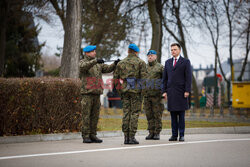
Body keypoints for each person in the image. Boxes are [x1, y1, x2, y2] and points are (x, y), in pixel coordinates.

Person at [79, 45, 120, 143]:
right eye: (93, 51)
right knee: (86, 116)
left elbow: (107, 69)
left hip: (97, 94)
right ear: (87, 53)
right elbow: (83, 67)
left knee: (95, 116)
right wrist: (95, 61)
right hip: (87, 94)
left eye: (95, 51)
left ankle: (93, 135)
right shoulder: (83, 62)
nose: (95, 53)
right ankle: (86, 136)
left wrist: (115, 64)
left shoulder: (98, 64)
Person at [113, 43, 146, 144]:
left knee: (126, 113)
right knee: (134, 113)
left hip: (125, 90)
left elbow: (115, 79)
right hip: (136, 90)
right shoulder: (141, 62)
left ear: (128, 51)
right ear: (136, 52)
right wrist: (142, 93)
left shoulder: (121, 63)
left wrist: (120, 91)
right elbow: (144, 80)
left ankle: (126, 137)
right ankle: (131, 137)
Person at [162, 43, 192, 142]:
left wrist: (187, 90)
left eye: (175, 49)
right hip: (171, 92)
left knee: (181, 115)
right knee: (173, 115)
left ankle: (181, 135)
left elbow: (188, 77)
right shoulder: (167, 62)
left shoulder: (186, 62)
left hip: (181, 92)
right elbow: (164, 79)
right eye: (171, 50)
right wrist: (164, 91)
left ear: (179, 50)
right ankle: (174, 135)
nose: (173, 51)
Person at [143, 50, 164, 140]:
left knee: (157, 114)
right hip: (147, 95)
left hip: (157, 96)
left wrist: (163, 92)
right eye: (149, 56)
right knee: (149, 114)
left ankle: (157, 132)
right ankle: (151, 132)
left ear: (155, 56)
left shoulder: (160, 67)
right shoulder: (144, 67)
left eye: (152, 55)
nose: (150, 57)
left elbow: (164, 80)